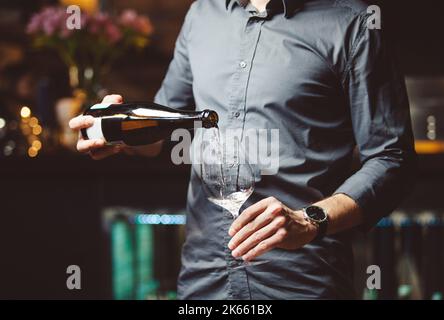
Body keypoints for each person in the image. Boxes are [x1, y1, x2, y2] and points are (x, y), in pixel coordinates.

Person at [69, 0, 416, 299]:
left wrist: (309, 221)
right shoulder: (202, 14)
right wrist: (117, 136)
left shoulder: (354, 23)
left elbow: (391, 160)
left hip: (301, 282)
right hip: (204, 281)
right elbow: (162, 131)